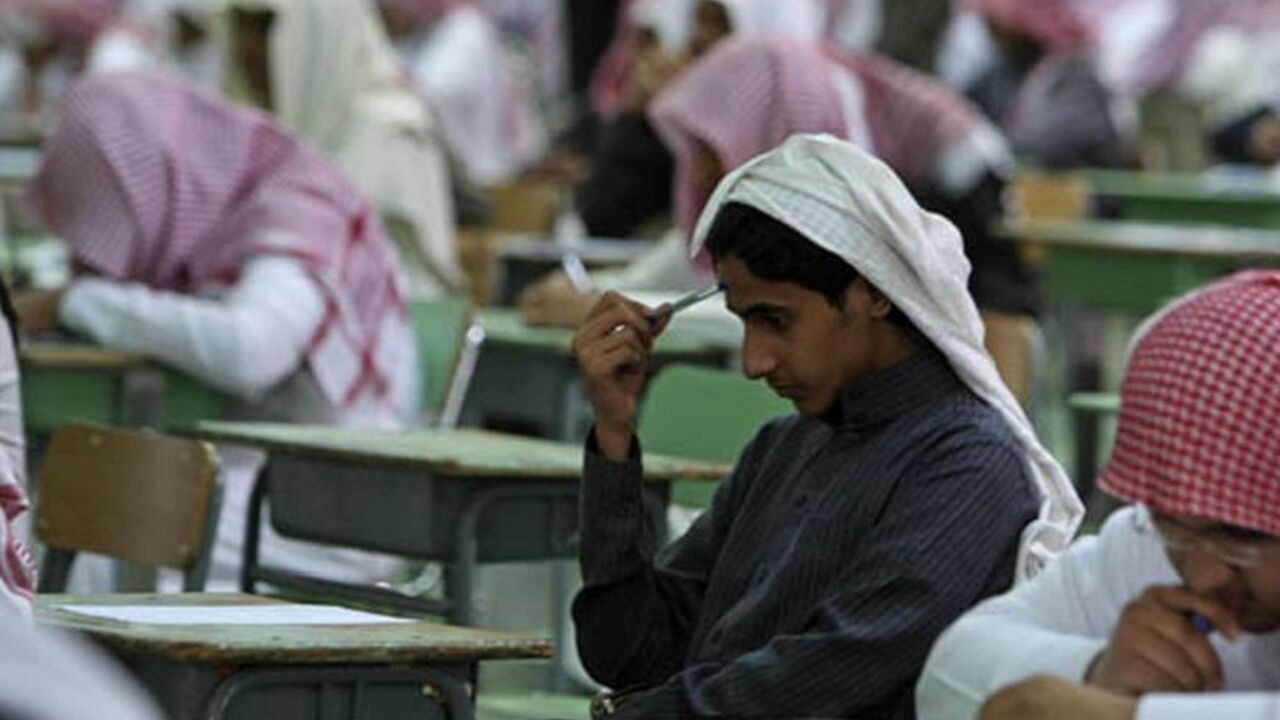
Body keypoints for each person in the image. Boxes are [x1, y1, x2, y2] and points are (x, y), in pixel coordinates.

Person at [569, 134, 1082, 718]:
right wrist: (613, 440)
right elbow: (630, 653)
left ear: (872, 293)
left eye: (776, 321)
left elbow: (816, 681)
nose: (753, 362)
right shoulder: (784, 447)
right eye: (745, 322)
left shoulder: (968, 466)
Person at [22, 69, 418, 591]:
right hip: (256, 476)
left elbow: (248, 349)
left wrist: (77, 302)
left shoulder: (297, 210)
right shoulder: (227, 205)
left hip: (328, 506)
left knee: (74, 535)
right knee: (43, 505)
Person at [525, 37, 1039, 397]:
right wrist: (594, 294)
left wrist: (629, 308)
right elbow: (687, 267)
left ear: (762, 127)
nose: (699, 164)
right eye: (697, 144)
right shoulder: (744, 188)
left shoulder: (829, 192)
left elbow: (782, 301)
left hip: (964, 188)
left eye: (713, 144)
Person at [917, 270, 1280, 720]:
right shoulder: (1151, 541)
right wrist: (1091, 669)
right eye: (1177, 532)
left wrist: (1125, 715)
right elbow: (949, 670)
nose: (1203, 578)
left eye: (1240, 537)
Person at [225, 0, 463, 298]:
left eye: (264, 28)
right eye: (241, 26)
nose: (248, 49)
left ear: (323, 30)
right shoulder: (253, 131)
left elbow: (404, 299)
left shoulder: (392, 137)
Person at [376, 0, 547, 187]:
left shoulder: (465, 30)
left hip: (480, 183)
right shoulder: (431, 31)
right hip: (467, 182)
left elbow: (422, 97)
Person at [966, 0, 1128, 169]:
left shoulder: (1077, 70)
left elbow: (1045, 145)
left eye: (997, 25)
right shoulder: (1006, 70)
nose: (992, 35)